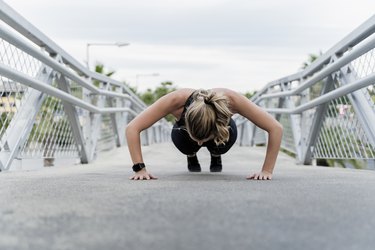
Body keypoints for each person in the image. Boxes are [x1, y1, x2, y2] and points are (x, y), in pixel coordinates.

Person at [126, 88, 283, 181]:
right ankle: (191, 153)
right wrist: (139, 169)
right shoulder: (176, 101)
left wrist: (266, 171)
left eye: (203, 139)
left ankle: (216, 152)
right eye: (197, 139)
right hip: (185, 134)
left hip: (221, 129)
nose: (200, 143)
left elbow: (275, 128)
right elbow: (132, 128)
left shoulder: (232, 100)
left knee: (220, 145)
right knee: (186, 144)